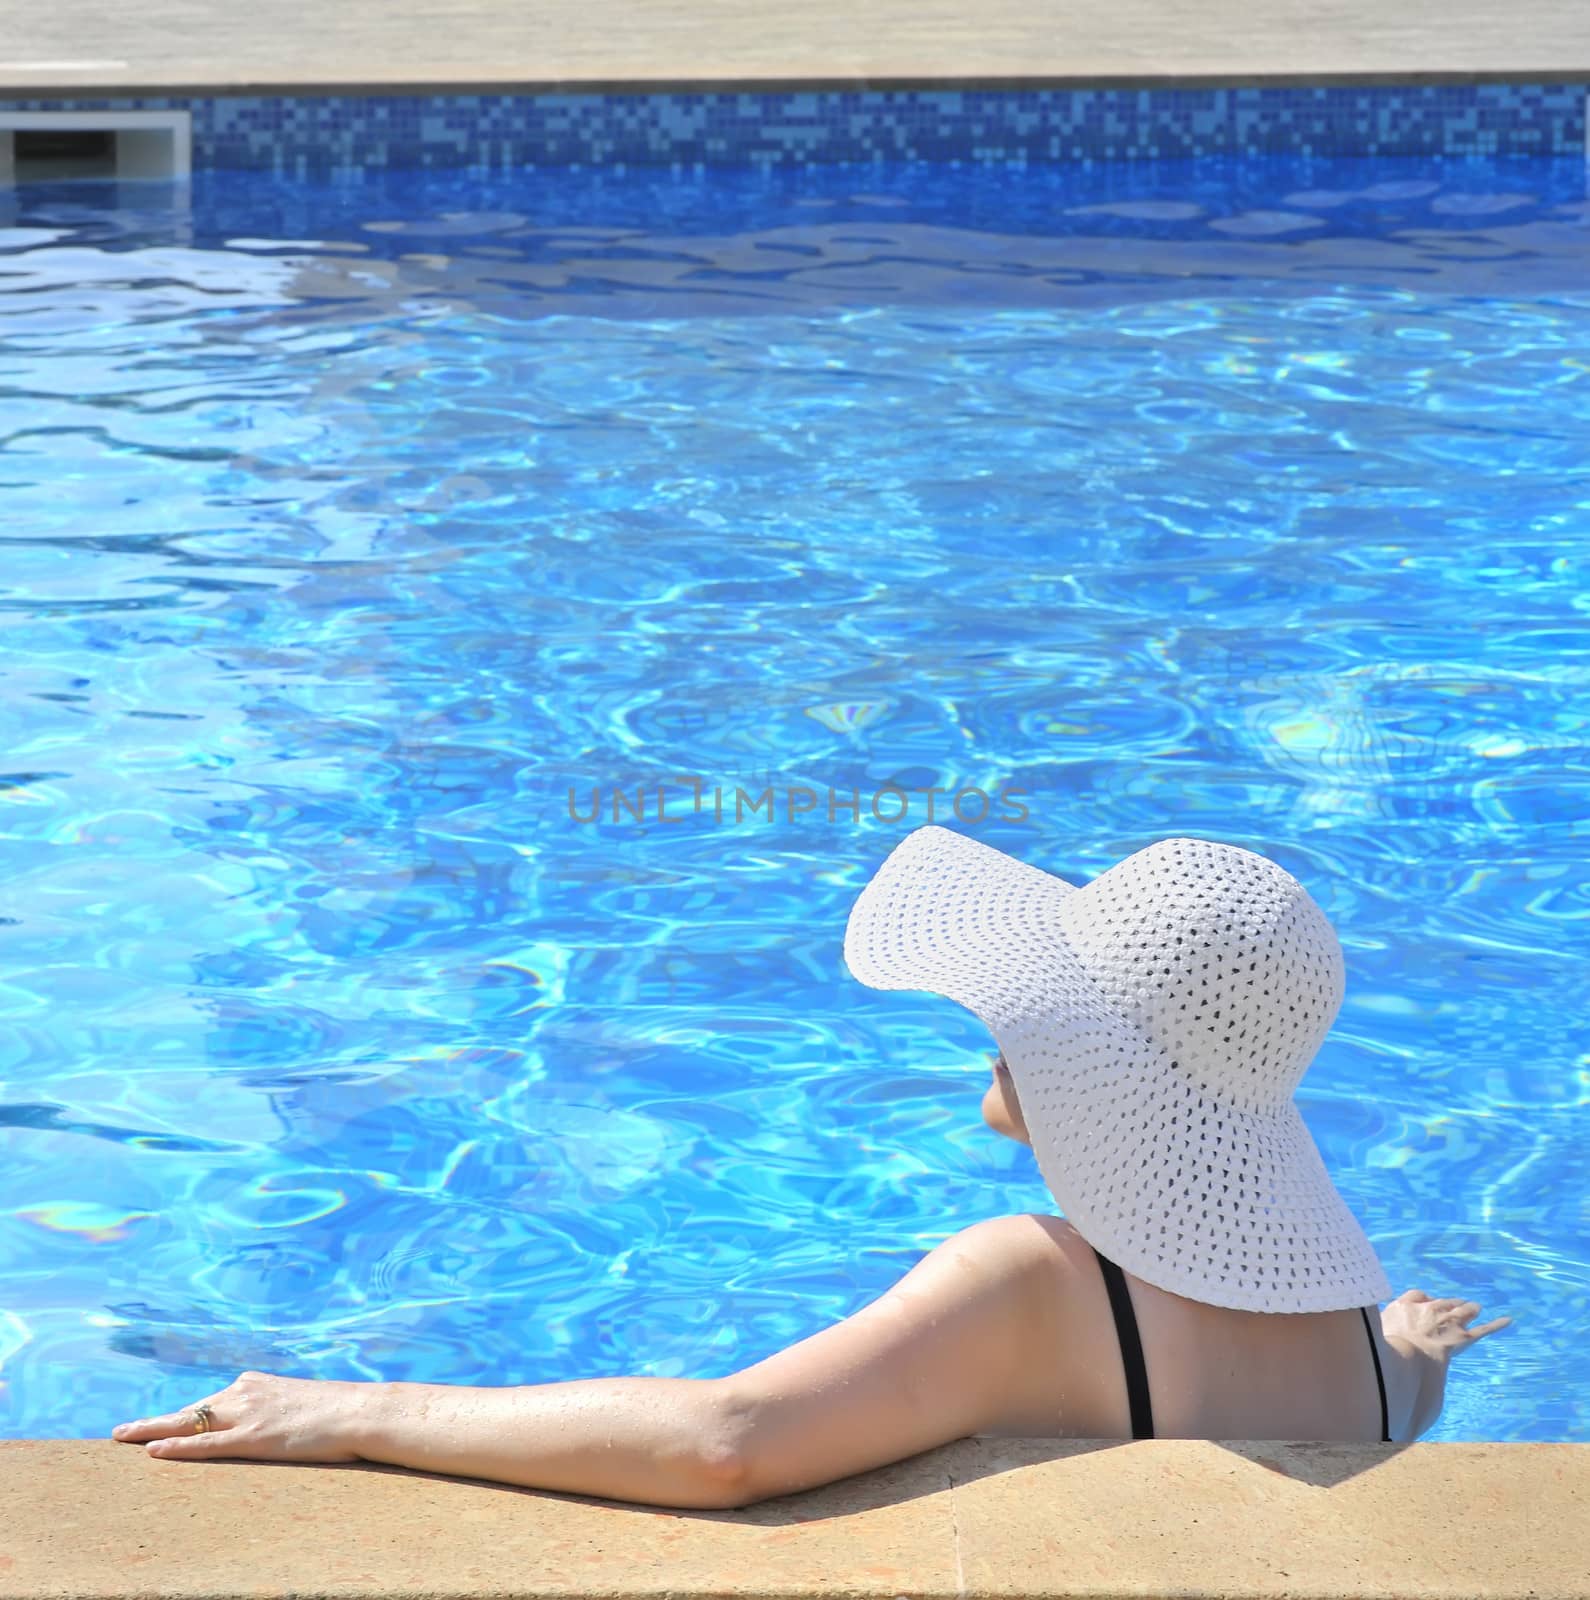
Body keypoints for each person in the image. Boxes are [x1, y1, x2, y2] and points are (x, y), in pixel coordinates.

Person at [110, 826, 1511, 1510]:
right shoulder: (1363, 1358)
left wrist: (362, 1412)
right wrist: (1408, 1336)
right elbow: (1404, 1373)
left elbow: (727, 1444)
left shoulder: (1034, 1285)